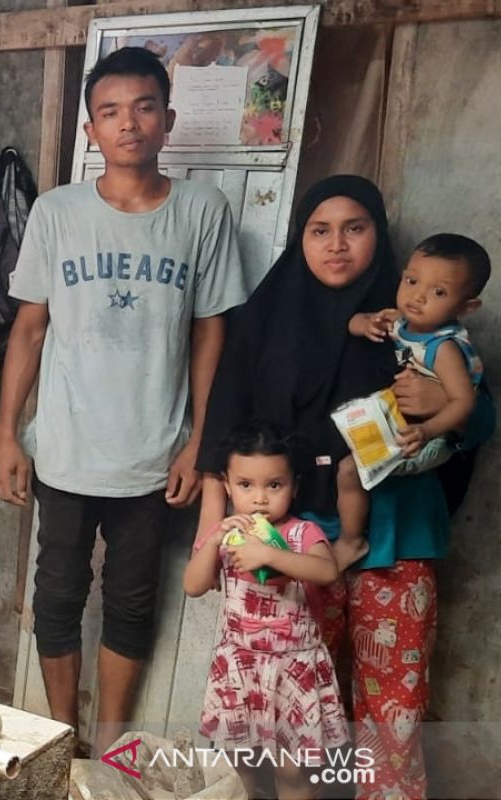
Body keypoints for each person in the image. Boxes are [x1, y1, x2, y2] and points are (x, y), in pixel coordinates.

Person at [197, 175, 494, 799]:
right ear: (299, 237)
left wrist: (446, 402)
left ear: (378, 236)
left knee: (392, 717)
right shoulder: (265, 318)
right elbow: (227, 424)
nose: (337, 245)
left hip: (396, 542)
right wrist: (213, 523)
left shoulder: (414, 314)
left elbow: (479, 415)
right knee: (296, 719)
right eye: (319, 230)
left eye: (355, 229)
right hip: (294, 548)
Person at [0, 46, 247, 751]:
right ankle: (62, 735)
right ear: (90, 130)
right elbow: (30, 331)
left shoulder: (202, 211)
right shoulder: (57, 211)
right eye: (109, 111)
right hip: (65, 451)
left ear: (168, 118)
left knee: (133, 602)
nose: (127, 123)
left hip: (154, 457)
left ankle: (108, 747)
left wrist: (200, 441)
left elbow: (209, 334)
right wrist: (8, 434)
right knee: (58, 594)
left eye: (142, 107)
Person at [184, 420, 345, 800]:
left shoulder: (302, 534)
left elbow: (326, 570)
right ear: (226, 485)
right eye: (245, 485)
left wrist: (270, 554)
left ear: (295, 486)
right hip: (240, 669)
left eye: (274, 485)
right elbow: (192, 586)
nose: (259, 499)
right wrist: (215, 539)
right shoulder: (225, 534)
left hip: (292, 672)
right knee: (237, 768)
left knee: (292, 772)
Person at [333, 233, 491, 569]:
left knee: (350, 469)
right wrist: (365, 323)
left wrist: (429, 430)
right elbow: (355, 321)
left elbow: (465, 403)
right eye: (411, 280)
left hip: (430, 439)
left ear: (466, 307)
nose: (417, 297)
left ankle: (351, 539)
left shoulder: (443, 348)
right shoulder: (404, 322)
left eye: (438, 292)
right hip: (411, 427)